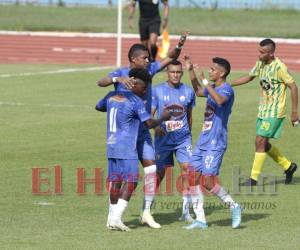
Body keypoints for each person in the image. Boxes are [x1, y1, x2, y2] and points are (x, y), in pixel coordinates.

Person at [97, 33, 188, 229]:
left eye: (148, 58)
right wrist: (117, 78)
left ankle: (146, 212)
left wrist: (179, 45)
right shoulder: (122, 73)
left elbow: (170, 58)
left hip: (143, 131)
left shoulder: (150, 69)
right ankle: (113, 216)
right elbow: (101, 82)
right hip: (125, 133)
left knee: (151, 168)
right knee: (121, 178)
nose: (148, 61)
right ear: (133, 60)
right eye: (144, 58)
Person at [96, 68, 170, 231]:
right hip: (127, 147)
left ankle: (110, 219)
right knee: (132, 181)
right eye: (143, 87)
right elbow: (149, 124)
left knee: (115, 180)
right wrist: (163, 117)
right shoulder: (136, 101)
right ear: (134, 83)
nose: (145, 91)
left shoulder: (111, 96)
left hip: (111, 145)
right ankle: (116, 218)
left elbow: (99, 107)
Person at [183, 55, 241, 229]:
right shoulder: (214, 87)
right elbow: (199, 92)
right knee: (192, 176)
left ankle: (235, 207)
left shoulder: (226, 90)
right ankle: (201, 220)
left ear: (222, 73)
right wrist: (191, 72)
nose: (209, 71)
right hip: (203, 141)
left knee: (208, 183)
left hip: (216, 142)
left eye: (213, 69)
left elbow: (219, 100)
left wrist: (204, 80)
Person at [231, 38, 299, 185]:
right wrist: (228, 84)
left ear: (271, 53)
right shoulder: (260, 63)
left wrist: (294, 112)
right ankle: (288, 166)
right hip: (263, 111)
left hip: (275, 112)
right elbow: (249, 77)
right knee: (264, 144)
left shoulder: (279, 67)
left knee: (259, 141)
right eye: (259, 51)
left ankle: (253, 179)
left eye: (262, 52)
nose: (259, 55)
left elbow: (293, 87)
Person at [151, 60, 195, 222]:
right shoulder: (157, 91)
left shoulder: (188, 92)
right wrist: (156, 128)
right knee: (159, 173)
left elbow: (189, 116)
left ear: (181, 73)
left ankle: (185, 211)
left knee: (187, 169)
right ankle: (147, 207)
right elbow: (150, 114)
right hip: (163, 139)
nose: (175, 75)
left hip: (183, 139)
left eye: (178, 72)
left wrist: (189, 134)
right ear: (167, 73)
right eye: (172, 72)